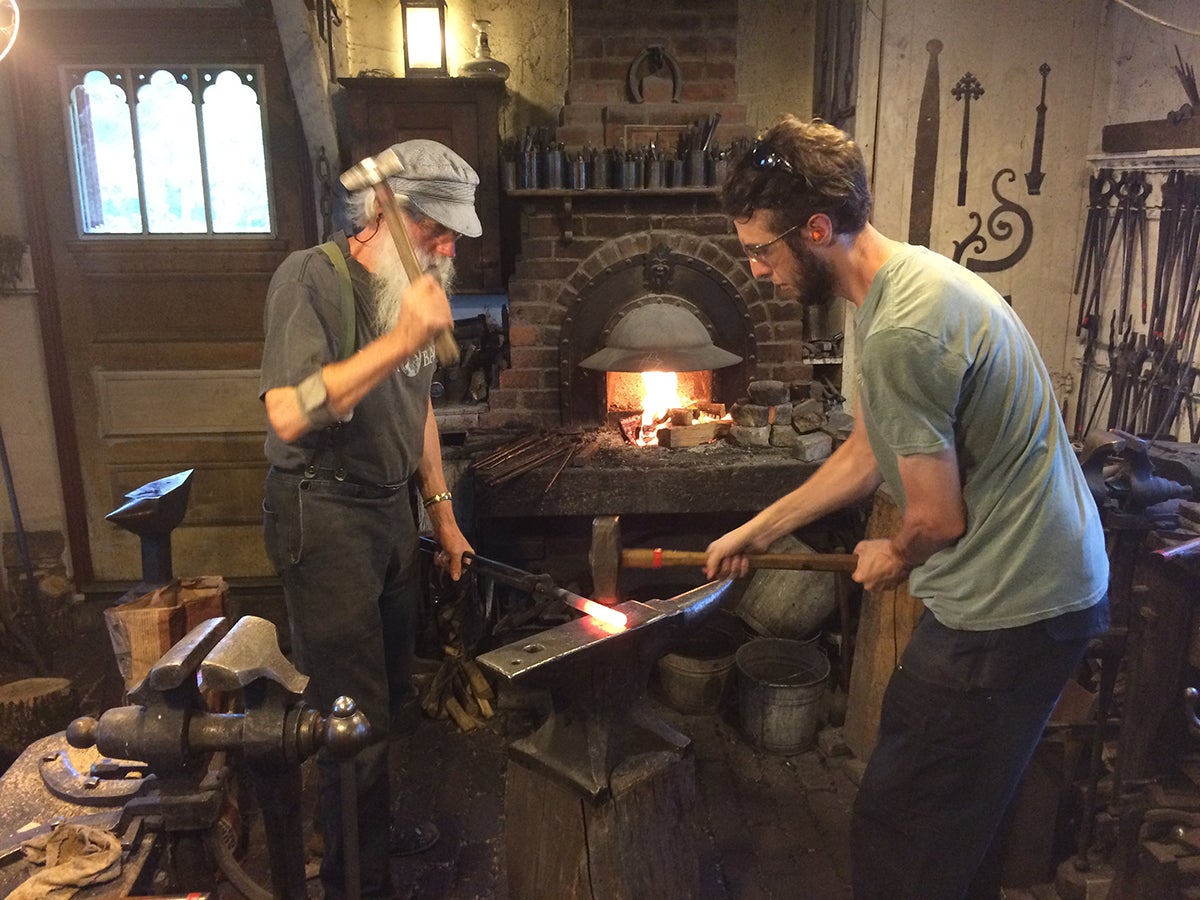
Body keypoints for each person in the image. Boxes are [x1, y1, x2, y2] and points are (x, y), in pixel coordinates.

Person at [704, 116, 1110, 899]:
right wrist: (757, 529)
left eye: (761, 249)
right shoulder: (906, 280)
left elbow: (933, 520)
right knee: (956, 828)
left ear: (816, 228)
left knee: (903, 838)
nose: (757, 271)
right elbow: (867, 451)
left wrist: (892, 554)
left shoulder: (902, 330)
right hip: (1031, 594)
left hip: (1012, 610)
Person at [259, 139, 475, 899]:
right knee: (347, 719)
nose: (446, 249)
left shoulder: (404, 289)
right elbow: (289, 413)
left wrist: (441, 513)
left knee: (386, 707)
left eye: (454, 236)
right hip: (324, 514)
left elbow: (414, 409)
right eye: (434, 233)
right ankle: (356, 881)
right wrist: (401, 339)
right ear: (383, 208)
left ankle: (367, 840)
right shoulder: (312, 278)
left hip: (390, 516)